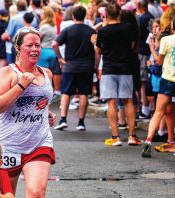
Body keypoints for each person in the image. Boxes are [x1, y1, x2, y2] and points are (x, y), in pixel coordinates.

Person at [0, 27, 57, 198]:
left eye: (38, 44)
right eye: (29, 44)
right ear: (18, 48)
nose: (35, 49)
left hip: (39, 142)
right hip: (8, 145)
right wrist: (19, 86)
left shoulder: (46, 73)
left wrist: (47, 114)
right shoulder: (8, 73)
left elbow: (39, 103)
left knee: (36, 194)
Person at [94, 2, 141, 146]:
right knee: (128, 101)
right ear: (119, 13)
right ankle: (132, 136)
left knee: (111, 102)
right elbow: (132, 46)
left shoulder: (103, 31)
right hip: (125, 68)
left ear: (106, 14)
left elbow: (98, 50)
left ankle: (115, 137)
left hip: (109, 68)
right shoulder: (127, 28)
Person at [52, 5, 96, 131]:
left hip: (69, 66)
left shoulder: (68, 30)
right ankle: (81, 122)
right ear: (85, 16)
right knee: (83, 93)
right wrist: (96, 65)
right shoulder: (91, 31)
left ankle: (63, 119)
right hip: (87, 66)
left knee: (66, 92)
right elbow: (97, 49)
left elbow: (55, 44)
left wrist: (60, 58)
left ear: (72, 16)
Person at [142, 17, 175, 157]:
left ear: (173, 26)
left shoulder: (166, 40)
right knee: (170, 111)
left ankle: (148, 141)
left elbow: (159, 62)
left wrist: (151, 49)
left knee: (159, 111)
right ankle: (171, 142)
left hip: (167, 79)